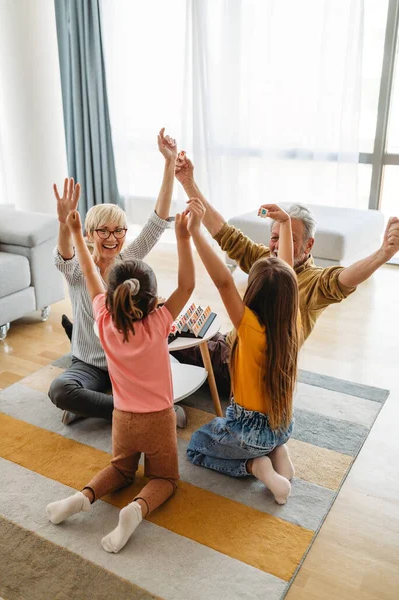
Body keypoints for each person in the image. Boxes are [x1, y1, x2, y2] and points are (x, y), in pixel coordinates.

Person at [172, 154, 399, 396]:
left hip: (238, 367)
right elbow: (224, 232)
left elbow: (341, 280)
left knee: (162, 341)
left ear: (309, 245)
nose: (277, 247)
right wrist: (187, 182)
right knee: (179, 330)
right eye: (274, 237)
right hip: (230, 343)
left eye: (288, 239)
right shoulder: (266, 262)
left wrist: (382, 255)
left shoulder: (313, 282)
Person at [46, 205, 195, 553]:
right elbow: (188, 284)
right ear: (153, 300)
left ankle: (82, 498)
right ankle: (135, 510)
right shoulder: (160, 323)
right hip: (158, 419)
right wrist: (185, 238)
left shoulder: (103, 320)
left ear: (111, 296)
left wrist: (73, 228)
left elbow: (88, 270)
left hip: (122, 419)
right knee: (165, 479)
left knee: (121, 469)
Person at [49, 129, 178, 425]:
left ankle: (96, 405)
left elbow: (157, 221)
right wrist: (63, 223)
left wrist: (169, 162)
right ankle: (129, 409)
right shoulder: (79, 269)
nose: (112, 237)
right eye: (103, 231)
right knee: (60, 390)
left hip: (127, 360)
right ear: (90, 235)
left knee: (172, 368)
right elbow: (65, 254)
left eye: (118, 230)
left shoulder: (128, 261)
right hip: (90, 363)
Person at [185, 198, 299, 504]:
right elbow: (286, 271)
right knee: (243, 429)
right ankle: (278, 450)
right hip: (281, 423)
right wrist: (285, 223)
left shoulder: (250, 327)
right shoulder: (290, 322)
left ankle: (257, 466)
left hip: (249, 432)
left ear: (254, 291)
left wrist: (195, 231)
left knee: (196, 446)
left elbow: (223, 281)